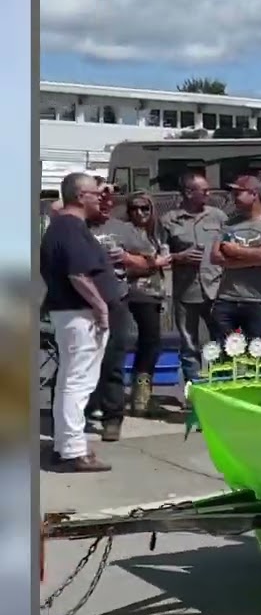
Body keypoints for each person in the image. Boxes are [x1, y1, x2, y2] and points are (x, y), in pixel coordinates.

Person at [39, 173, 113, 472]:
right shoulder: (70, 228)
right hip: (79, 314)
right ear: (81, 195)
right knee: (78, 383)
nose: (100, 197)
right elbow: (78, 274)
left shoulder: (62, 227)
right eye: (96, 192)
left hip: (69, 313)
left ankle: (66, 445)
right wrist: (101, 307)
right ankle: (72, 450)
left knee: (72, 381)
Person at [86, 181, 149, 441]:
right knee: (83, 361)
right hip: (83, 302)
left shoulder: (123, 229)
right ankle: (85, 410)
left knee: (113, 359)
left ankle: (113, 418)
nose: (105, 203)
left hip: (116, 301)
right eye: (99, 198)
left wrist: (125, 257)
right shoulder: (77, 225)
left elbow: (148, 261)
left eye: (109, 200)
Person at [160, 172, 227, 388]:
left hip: (215, 288)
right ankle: (195, 388)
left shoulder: (218, 217)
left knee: (222, 340)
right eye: (204, 190)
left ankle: (221, 386)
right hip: (185, 291)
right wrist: (179, 257)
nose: (209, 193)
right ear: (189, 192)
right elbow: (157, 255)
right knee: (189, 342)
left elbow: (229, 247)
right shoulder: (169, 220)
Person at [211, 175, 261, 340]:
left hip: (258, 301)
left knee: (257, 353)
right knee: (221, 354)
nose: (233, 197)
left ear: (254, 194)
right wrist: (258, 257)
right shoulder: (230, 224)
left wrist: (237, 251)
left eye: (238, 193)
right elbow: (216, 257)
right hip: (226, 300)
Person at [122, 192, 172, 417]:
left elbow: (165, 262)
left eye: (145, 208)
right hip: (129, 293)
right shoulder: (125, 232)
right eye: (134, 208)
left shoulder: (156, 234)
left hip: (153, 294)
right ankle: (117, 394)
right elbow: (122, 266)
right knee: (120, 343)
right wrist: (153, 263)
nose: (139, 213)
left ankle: (142, 395)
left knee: (151, 343)